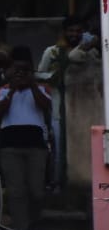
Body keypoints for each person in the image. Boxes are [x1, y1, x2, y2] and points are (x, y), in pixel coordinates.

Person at [35, 18, 95, 189]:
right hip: (58, 108)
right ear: (64, 32)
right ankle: (57, 183)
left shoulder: (89, 53)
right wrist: (54, 79)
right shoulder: (52, 52)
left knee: (83, 147)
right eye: (71, 31)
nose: (74, 34)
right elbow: (40, 76)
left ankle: (81, 184)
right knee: (59, 148)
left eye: (78, 31)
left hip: (83, 108)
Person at [0, 59, 51, 230]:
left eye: (24, 70)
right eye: (16, 70)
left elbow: (46, 105)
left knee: (36, 191)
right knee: (16, 191)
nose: (20, 73)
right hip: (10, 146)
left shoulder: (42, 89)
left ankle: (33, 224)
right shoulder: (0, 91)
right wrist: (11, 89)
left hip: (36, 146)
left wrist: (32, 85)